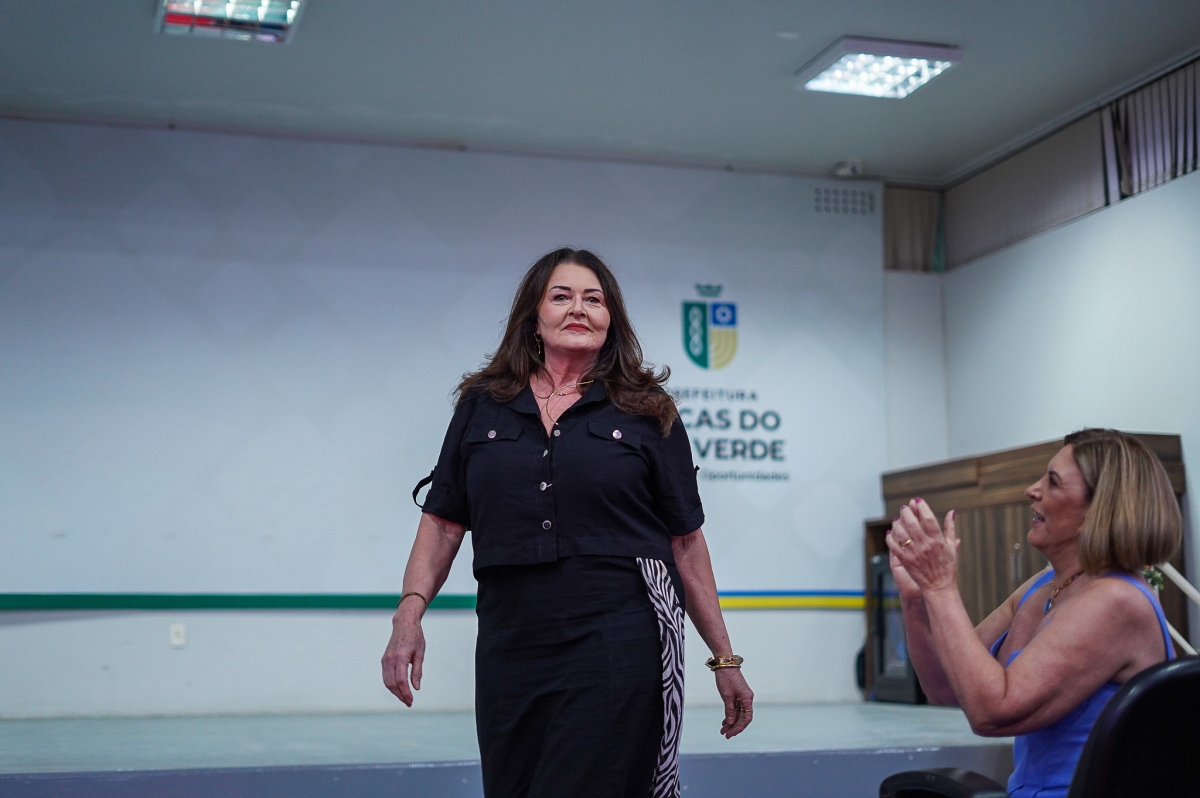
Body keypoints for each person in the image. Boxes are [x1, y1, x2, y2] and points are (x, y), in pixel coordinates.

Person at [381, 247, 754, 798]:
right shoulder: (483, 405)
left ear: (611, 321)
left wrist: (724, 659)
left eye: (594, 299)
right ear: (533, 318)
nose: (579, 308)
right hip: (510, 640)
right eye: (561, 296)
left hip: (620, 633)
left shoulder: (647, 409)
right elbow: (442, 521)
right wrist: (408, 616)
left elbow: (686, 542)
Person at [888, 428, 1181, 798]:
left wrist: (941, 588)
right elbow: (945, 687)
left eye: (1052, 481)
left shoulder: (1115, 600)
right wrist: (917, 601)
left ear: (1098, 511)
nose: (1032, 490)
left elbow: (992, 713)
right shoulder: (1042, 586)